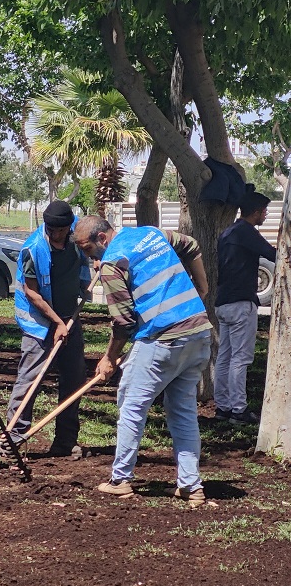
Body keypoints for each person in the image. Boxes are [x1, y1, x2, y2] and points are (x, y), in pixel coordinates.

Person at [73, 216, 212, 507]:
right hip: (198, 333)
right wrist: (203, 289)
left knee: (132, 404)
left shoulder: (113, 262)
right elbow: (192, 245)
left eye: (87, 250)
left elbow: (122, 322)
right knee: (183, 410)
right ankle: (191, 486)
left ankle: (120, 479)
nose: (90, 258)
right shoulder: (151, 233)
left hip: (164, 339)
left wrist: (108, 358)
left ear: (102, 239)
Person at [3, 200, 92, 458]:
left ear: (68, 227)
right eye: (51, 230)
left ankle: (65, 442)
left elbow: (89, 254)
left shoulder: (78, 234)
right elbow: (32, 292)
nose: (55, 235)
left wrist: (87, 278)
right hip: (39, 324)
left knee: (74, 380)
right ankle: (11, 442)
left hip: (69, 319)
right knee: (29, 382)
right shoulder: (33, 249)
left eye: (61, 230)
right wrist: (57, 323)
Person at [213, 192, 276, 425]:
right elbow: (272, 254)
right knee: (241, 358)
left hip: (223, 302)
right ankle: (239, 409)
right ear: (256, 211)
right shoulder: (246, 232)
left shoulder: (227, 232)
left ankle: (223, 407)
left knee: (225, 357)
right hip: (241, 303)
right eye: (264, 211)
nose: (266, 215)